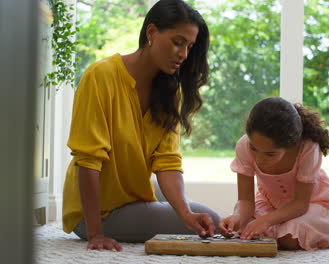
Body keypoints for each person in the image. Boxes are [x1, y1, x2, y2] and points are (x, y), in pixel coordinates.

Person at [62, 0, 220, 252]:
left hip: (131, 189)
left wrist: (185, 213)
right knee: (213, 220)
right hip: (97, 210)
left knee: (195, 213)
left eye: (189, 46)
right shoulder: (100, 76)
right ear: (151, 33)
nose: (184, 54)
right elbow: (88, 160)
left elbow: (167, 163)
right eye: (177, 42)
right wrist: (95, 233)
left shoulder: (169, 92)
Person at [219, 97, 329, 250]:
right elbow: (246, 201)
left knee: (289, 238)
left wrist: (266, 221)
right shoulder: (243, 146)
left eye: (270, 154)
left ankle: (277, 229)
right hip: (270, 204)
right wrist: (238, 217)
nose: (259, 159)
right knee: (244, 230)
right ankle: (270, 227)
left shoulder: (307, 148)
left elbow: (300, 204)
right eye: (254, 148)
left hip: (310, 204)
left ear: (291, 144)